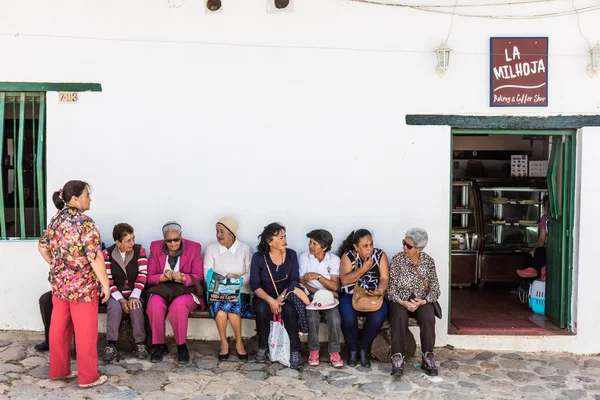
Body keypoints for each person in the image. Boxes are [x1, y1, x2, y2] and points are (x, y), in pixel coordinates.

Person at [37, 180, 110, 389]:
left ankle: (59, 371)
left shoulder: (56, 220)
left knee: (59, 328)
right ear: (75, 198)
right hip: (83, 288)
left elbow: (42, 248)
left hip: (60, 286)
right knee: (85, 331)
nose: (90, 199)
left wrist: (58, 266)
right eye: (87, 195)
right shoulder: (85, 223)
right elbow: (95, 257)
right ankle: (88, 377)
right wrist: (105, 284)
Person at [146, 221, 205, 364]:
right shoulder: (155, 247)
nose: (172, 243)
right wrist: (163, 277)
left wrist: (182, 276)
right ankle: (159, 345)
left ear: (181, 236)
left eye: (176, 240)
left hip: (185, 290)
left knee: (178, 306)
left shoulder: (193, 248)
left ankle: (181, 346)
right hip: (163, 289)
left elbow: (198, 275)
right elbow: (150, 276)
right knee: (154, 304)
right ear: (164, 239)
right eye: (168, 240)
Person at [387, 228, 440, 377]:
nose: (404, 247)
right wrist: (403, 303)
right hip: (400, 300)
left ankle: (428, 356)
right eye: (404, 243)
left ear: (419, 249)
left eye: (408, 246)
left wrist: (423, 301)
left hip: (421, 301)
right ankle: (397, 357)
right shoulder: (397, 260)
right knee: (399, 316)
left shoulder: (428, 262)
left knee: (428, 316)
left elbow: (436, 290)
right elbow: (390, 289)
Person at [250, 222, 304, 369]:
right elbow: (255, 285)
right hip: (264, 296)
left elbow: (294, 280)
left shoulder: (291, 254)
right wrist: (270, 300)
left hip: (286, 295)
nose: (284, 241)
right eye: (280, 238)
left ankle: (295, 350)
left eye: (285, 237)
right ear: (269, 241)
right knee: (261, 310)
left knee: (289, 311)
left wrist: (280, 299)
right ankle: (263, 346)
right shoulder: (259, 257)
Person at [338, 229, 389, 368]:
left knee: (379, 315)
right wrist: (365, 267)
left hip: (373, 295)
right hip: (351, 294)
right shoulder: (348, 256)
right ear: (356, 247)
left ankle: (363, 349)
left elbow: (384, 279)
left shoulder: (379, 255)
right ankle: (352, 349)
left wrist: (380, 290)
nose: (369, 248)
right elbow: (345, 280)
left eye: (371, 244)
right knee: (348, 316)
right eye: (365, 246)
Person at [203, 216, 253, 360]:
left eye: (222, 231)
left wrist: (237, 281)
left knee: (233, 311)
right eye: (217, 231)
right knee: (220, 311)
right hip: (217, 291)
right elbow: (207, 274)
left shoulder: (244, 249)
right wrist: (226, 279)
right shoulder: (211, 249)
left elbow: (250, 274)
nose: (219, 235)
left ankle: (239, 343)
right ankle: (224, 343)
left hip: (239, 291)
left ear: (231, 233)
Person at [101, 223, 149, 361]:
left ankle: (140, 344)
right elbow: (108, 279)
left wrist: (134, 296)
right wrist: (120, 299)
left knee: (136, 306)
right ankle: (111, 345)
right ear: (118, 242)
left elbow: (143, 274)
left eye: (133, 238)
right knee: (114, 307)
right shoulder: (107, 254)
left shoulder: (140, 250)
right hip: (116, 294)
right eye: (128, 240)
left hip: (136, 292)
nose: (132, 243)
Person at [298, 229, 343, 368]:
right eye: (310, 242)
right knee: (311, 316)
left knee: (334, 317)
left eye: (314, 244)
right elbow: (301, 281)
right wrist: (320, 292)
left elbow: (335, 286)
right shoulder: (304, 258)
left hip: (330, 298)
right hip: (311, 295)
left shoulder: (334, 260)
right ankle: (313, 350)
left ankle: (334, 351)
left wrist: (317, 276)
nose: (310, 246)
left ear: (324, 248)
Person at [517, 196, 549, 278]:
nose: (548, 208)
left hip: (553, 249)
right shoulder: (544, 219)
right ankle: (525, 286)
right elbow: (542, 238)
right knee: (528, 257)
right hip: (546, 248)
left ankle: (534, 271)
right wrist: (536, 251)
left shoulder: (556, 220)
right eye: (546, 206)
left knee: (540, 253)